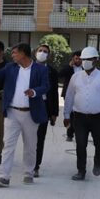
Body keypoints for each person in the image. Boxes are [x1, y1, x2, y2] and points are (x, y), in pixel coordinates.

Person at [0, 43, 50, 187]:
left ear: (23, 53)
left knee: (30, 146)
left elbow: (46, 86)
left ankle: (28, 173)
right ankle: (4, 176)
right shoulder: (10, 67)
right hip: (12, 113)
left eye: (15, 53)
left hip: (30, 114)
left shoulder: (40, 69)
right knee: (8, 145)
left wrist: (34, 92)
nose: (13, 55)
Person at [63, 46, 100, 180]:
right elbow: (69, 97)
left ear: (96, 60)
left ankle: (97, 161)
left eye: (89, 59)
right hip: (80, 117)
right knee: (80, 144)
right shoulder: (75, 77)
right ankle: (81, 171)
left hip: (99, 118)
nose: (85, 61)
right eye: (83, 59)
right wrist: (66, 115)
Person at [33, 43, 60, 178]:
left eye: (45, 51)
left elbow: (54, 92)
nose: (42, 53)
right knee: (29, 138)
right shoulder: (27, 68)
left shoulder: (52, 71)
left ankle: (36, 165)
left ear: (48, 55)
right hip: (29, 106)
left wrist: (54, 112)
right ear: (35, 52)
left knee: (40, 138)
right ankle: (28, 163)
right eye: (40, 50)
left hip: (44, 106)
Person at [58, 52, 83, 142]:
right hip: (69, 94)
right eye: (76, 58)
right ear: (73, 59)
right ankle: (69, 134)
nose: (78, 60)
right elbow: (60, 74)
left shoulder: (85, 69)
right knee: (70, 114)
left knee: (79, 114)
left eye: (80, 59)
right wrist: (69, 66)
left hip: (81, 95)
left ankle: (79, 133)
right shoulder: (68, 68)